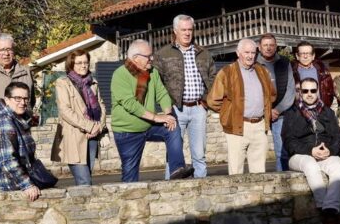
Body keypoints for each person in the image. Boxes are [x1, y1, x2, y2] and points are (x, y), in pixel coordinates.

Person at [110, 39, 194, 182]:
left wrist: (167, 115)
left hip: (147, 125)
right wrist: (157, 118)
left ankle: (177, 170)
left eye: (152, 55)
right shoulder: (120, 74)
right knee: (130, 175)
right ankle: (129, 202)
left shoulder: (152, 72)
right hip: (127, 131)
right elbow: (131, 104)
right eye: (148, 56)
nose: (152, 59)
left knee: (172, 127)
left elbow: (162, 93)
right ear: (135, 58)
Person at [153, 15, 217, 178]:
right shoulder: (163, 54)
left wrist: (205, 101)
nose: (187, 33)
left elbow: (212, 78)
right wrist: (166, 107)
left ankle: (201, 190)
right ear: (175, 31)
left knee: (199, 155)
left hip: (198, 108)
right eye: (183, 30)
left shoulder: (203, 53)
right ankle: (170, 190)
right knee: (173, 155)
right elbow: (156, 83)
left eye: (190, 29)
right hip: (175, 110)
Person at [282, 78, 340, 224]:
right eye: (305, 91)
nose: (309, 94)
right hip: (300, 155)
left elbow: (337, 136)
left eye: (312, 90)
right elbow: (289, 141)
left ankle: (330, 209)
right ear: (300, 93)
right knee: (310, 164)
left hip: (324, 153)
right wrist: (311, 150)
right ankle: (326, 210)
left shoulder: (327, 111)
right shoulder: (292, 113)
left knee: (338, 166)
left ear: (317, 91)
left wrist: (329, 150)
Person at [207, 38, 275, 175]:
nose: (250, 56)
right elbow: (213, 100)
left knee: (259, 172)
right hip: (238, 126)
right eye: (246, 52)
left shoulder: (262, 71)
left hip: (259, 125)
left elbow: (271, 94)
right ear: (238, 53)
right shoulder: (226, 72)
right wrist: (231, 112)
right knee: (236, 171)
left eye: (253, 52)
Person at [51, 50, 107, 186]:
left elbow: (101, 106)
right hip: (74, 137)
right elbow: (65, 111)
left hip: (93, 136)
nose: (84, 66)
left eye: (86, 62)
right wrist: (90, 126)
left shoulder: (93, 82)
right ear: (71, 65)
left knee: (87, 178)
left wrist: (98, 127)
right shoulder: (63, 83)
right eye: (79, 63)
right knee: (84, 181)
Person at [0, 82, 43, 201]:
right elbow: (8, 160)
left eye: (25, 98)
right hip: (1, 184)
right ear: (7, 100)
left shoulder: (17, 119)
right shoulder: (3, 123)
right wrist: (27, 185)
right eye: (17, 98)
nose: (23, 103)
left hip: (8, 179)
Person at [256, 34, 296, 171]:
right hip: (259, 114)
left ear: (276, 46)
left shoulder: (284, 62)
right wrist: (266, 110)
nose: (268, 48)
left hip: (280, 113)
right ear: (259, 47)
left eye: (271, 45)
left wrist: (277, 110)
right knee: (257, 154)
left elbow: (291, 89)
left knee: (281, 153)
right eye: (265, 45)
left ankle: (282, 182)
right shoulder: (253, 63)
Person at [291, 41, 335, 108]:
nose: (305, 56)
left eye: (308, 53)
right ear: (297, 56)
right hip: (299, 110)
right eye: (302, 53)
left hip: (320, 109)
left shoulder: (323, 70)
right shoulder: (291, 71)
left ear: (313, 56)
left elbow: (329, 91)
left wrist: (326, 108)